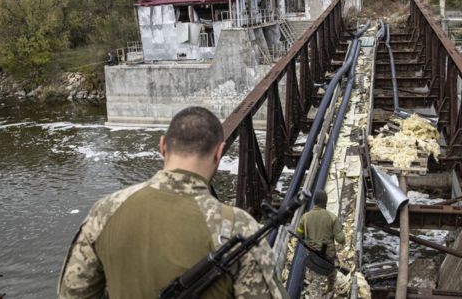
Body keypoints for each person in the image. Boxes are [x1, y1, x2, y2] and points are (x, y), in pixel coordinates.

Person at [58, 106, 286, 299]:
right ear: (219, 152)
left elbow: (73, 292)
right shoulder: (237, 226)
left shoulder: (105, 211)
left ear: (162, 146)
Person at [296, 190, 345, 299]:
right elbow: (340, 239)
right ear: (325, 202)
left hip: (314, 257)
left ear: (314, 201)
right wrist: (340, 231)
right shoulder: (332, 217)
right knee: (332, 275)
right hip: (329, 256)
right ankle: (330, 291)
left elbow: (299, 234)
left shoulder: (305, 217)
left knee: (315, 285)